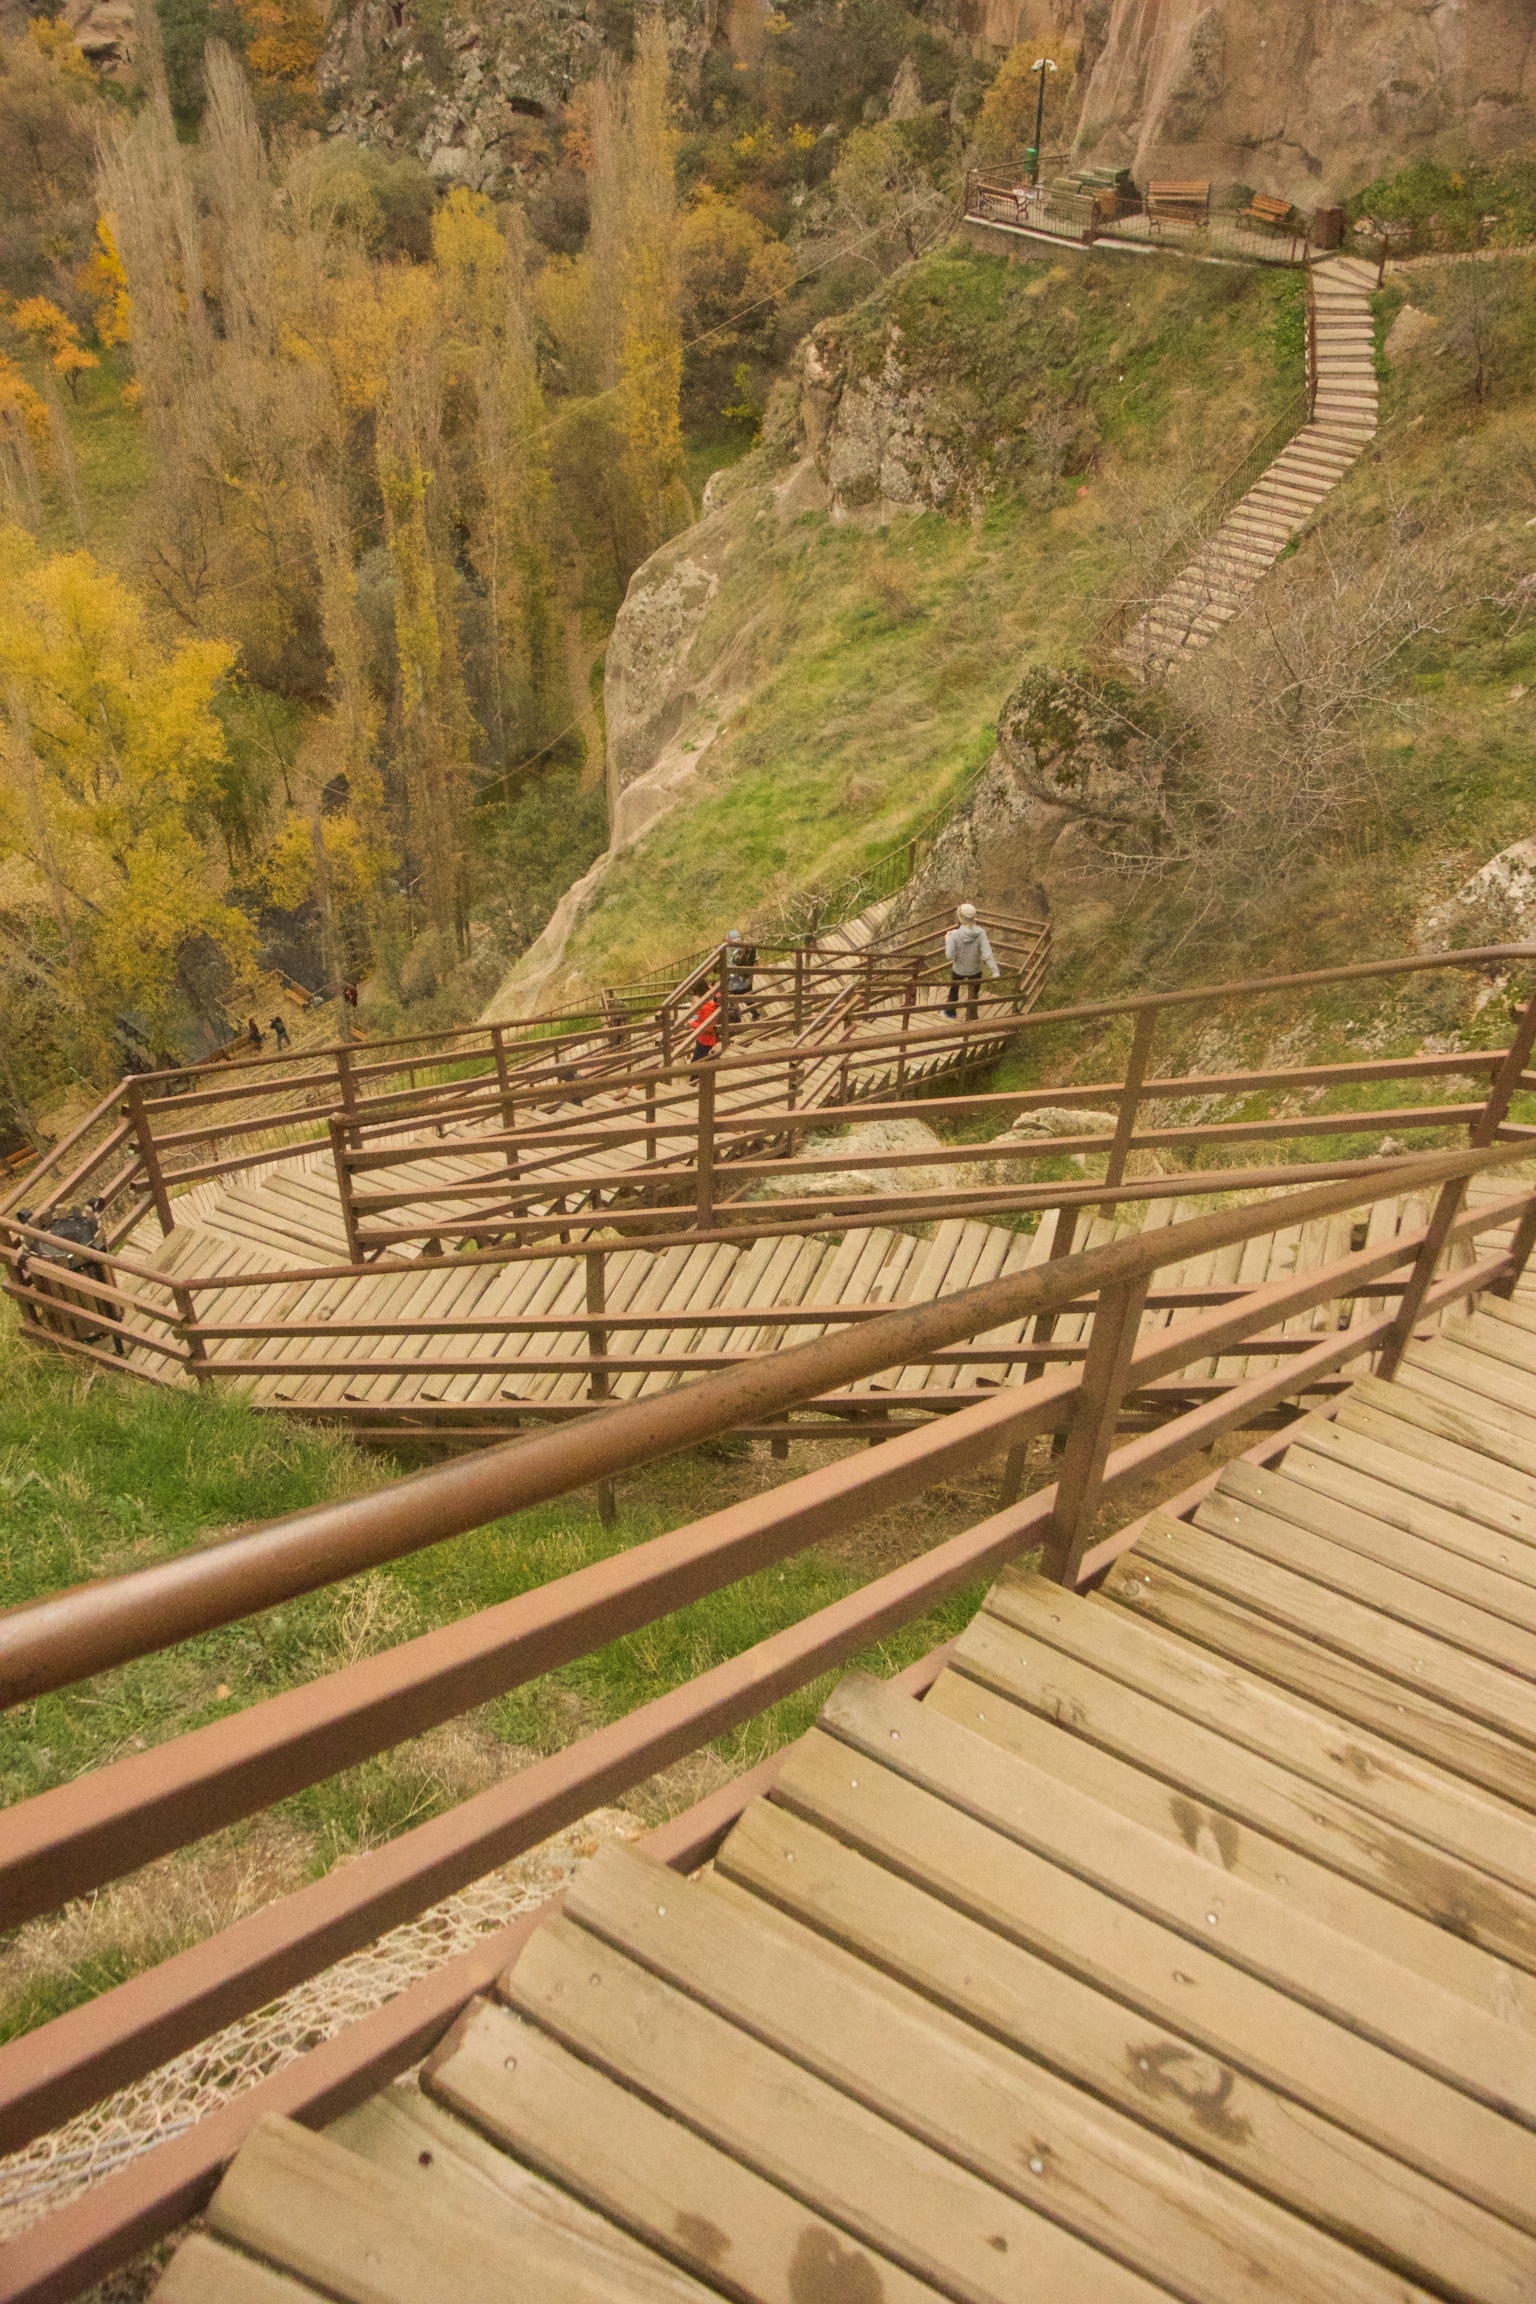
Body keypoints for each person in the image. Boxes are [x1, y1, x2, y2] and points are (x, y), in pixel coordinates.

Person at [943, 902, 1000, 1020]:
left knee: (954, 990)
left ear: (960, 917)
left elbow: (949, 956)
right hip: (975, 969)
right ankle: (972, 1016)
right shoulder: (980, 933)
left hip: (959, 969)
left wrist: (948, 940)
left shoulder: (955, 934)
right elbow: (987, 954)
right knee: (974, 993)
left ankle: (950, 1012)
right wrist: (995, 972)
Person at [725, 927, 760, 1021]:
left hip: (735, 980)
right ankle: (755, 1014)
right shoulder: (748, 948)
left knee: (731, 999)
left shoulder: (732, 950)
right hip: (746, 978)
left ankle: (735, 1019)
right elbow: (756, 959)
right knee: (746, 998)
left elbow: (730, 962)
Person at [689, 987, 721, 1063]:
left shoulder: (706, 1007)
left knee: (696, 1062)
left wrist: (692, 1023)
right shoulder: (705, 1003)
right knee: (699, 1059)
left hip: (706, 1040)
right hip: (702, 1037)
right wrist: (692, 1019)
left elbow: (709, 1027)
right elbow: (698, 1014)